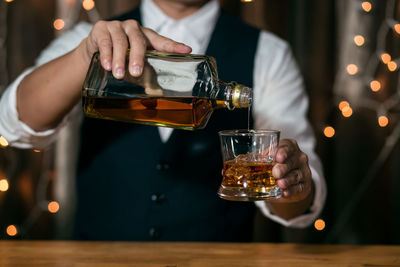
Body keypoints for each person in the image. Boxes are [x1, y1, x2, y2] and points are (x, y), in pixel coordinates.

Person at [0, 0, 326, 241]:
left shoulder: (269, 53)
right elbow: (13, 125)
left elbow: (298, 203)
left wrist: (292, 183)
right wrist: (86, 56)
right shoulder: (90, 38)